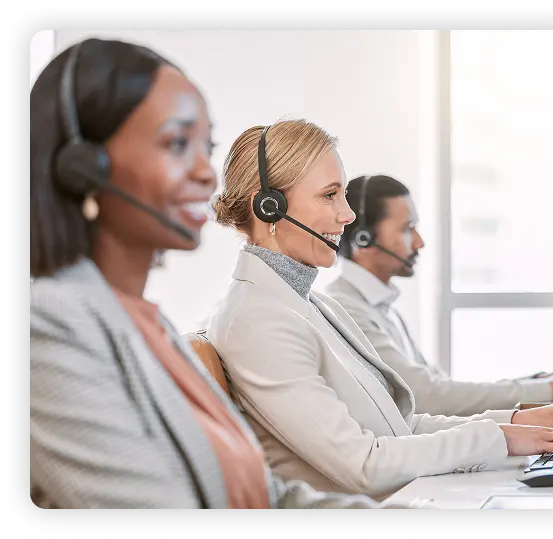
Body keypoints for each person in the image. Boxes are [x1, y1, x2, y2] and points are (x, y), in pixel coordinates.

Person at [29, 38, 392, 509]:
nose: (205, 173)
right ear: (84, 169)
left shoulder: (150, 327)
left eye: (206, 147)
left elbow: (267, 498)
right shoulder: (48, 328)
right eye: (177, 143)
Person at [207, 119, 553, 500]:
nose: (348, 215)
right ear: (269, 207)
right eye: (329, 195)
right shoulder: (257, 320)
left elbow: (399, 425)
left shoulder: (312, 303)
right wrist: (504, 438)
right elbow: (364, 465)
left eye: (345, 195)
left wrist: (517, 425)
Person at [326, 175, 553, 417]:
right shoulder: (348, 309)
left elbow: (440, 385)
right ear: (363, 238)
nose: (420, 242)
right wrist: (548, 390)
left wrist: (539, 382)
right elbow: (426, 397)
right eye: (407, 229)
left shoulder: (378, 305)